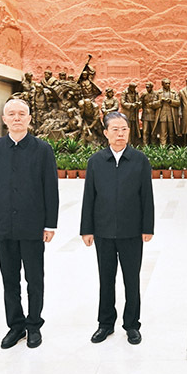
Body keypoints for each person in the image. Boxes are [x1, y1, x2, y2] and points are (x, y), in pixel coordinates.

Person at [0, 98, 59, 349]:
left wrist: (50, 224)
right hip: (3, 226)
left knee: (34, 280)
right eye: (11, 114)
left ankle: (34, 325)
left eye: (21, 114)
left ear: (29, 118)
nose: (16, 118)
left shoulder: (42, 149)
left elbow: (51, 189)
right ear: (4, 119)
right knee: (10, 281)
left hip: (33, 226)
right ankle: (15, 326)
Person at [80, 112, 154, 345]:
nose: (120, 134)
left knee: (132, 280)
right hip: (103, 231)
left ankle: (132, 325)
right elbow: (89, 197)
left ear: (129, 132)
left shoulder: (140, 160)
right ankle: (105, 324)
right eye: (115, 129)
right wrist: (87, 229)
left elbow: (147, 196)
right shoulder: (96, 161)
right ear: (106, 133)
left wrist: (147, 227)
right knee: (106, 279)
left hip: (132, 231)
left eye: (124, 129)